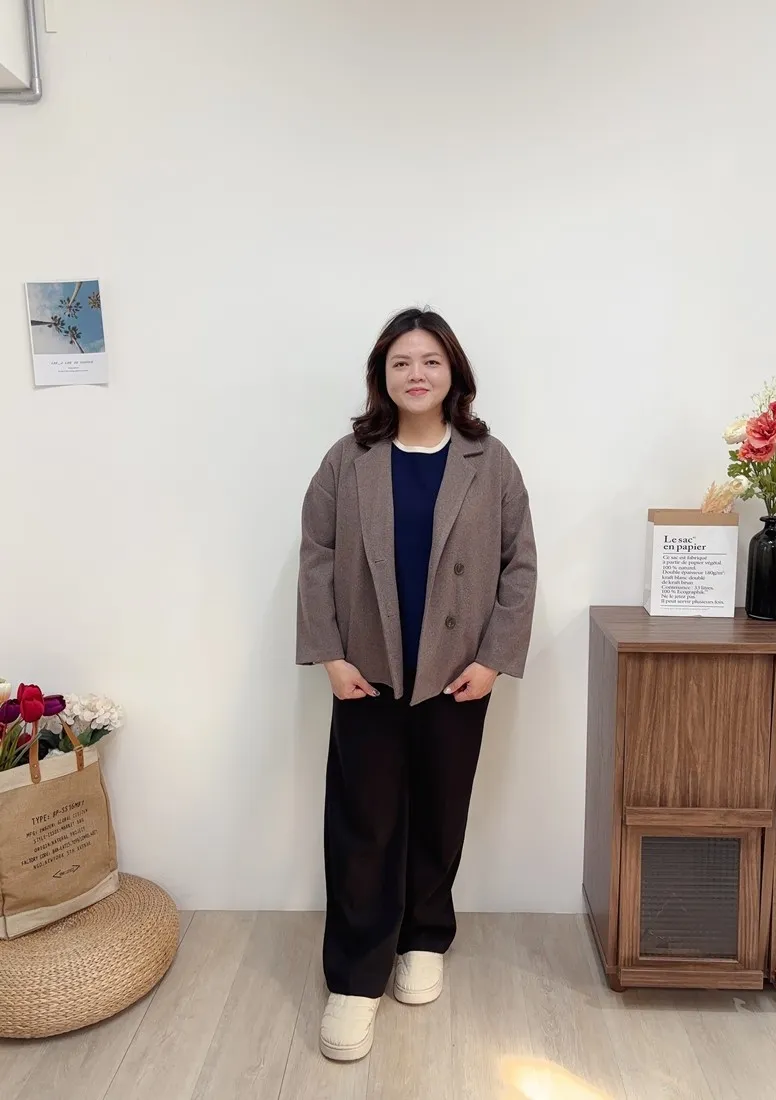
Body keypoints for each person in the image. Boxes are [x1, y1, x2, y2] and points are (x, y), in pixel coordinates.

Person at [297, 307, 537, 1062]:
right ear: (382, 376)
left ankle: (425, 937)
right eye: (401, 362)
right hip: (365, 674)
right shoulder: (348, 460)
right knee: (363, 823)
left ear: (453, 372)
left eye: (430, 360)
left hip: (455, 676)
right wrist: (331, 656)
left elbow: (520, 566)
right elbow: (316, 557)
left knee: (440, 810)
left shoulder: (489, 461)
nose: (416, 374)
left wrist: (492, 660)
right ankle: (355, 977)